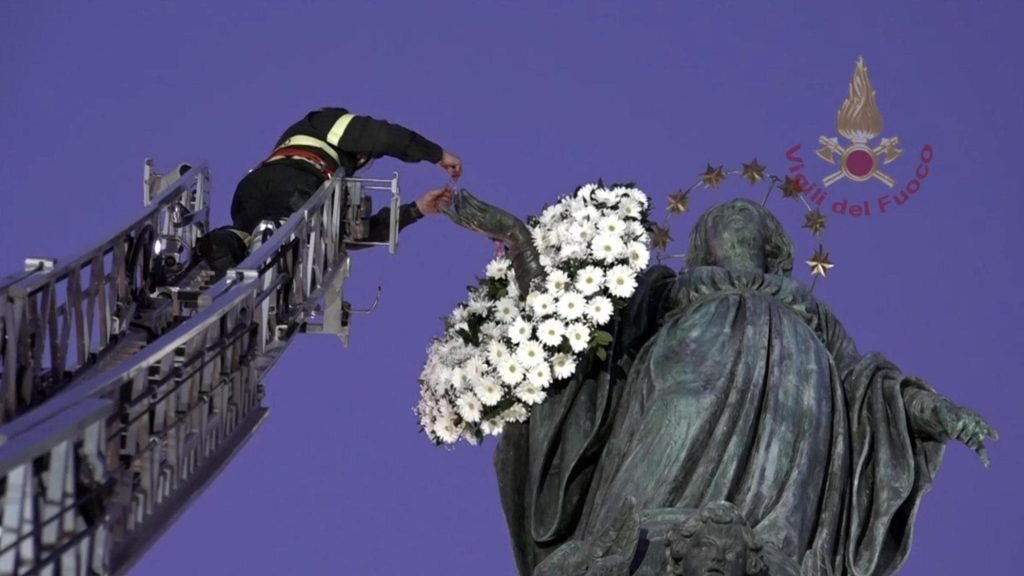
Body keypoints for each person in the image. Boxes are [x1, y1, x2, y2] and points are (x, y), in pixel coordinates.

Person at [443, 192, 997, 576]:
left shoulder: (816, 320)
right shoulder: (666, 292)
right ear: (704, 243)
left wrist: (933, 411)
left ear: (773, 247)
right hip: (684, 383)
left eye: (747, 221)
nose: (735, 224)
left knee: (769, 546)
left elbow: (869, 390)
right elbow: (574, 343)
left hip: (796, 417)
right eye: (723, 220)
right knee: (638, 522)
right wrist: (522, 244)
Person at [197, 107, 461, 272]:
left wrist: (417, 210)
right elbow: (382, 135)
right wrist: (437, 154)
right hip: (297, 188)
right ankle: (274, 237)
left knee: (247, 236)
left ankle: (224, 245)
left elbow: (352, 235)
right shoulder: (324, 122)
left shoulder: (292, 143)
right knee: (294, 235)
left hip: (247, 198)